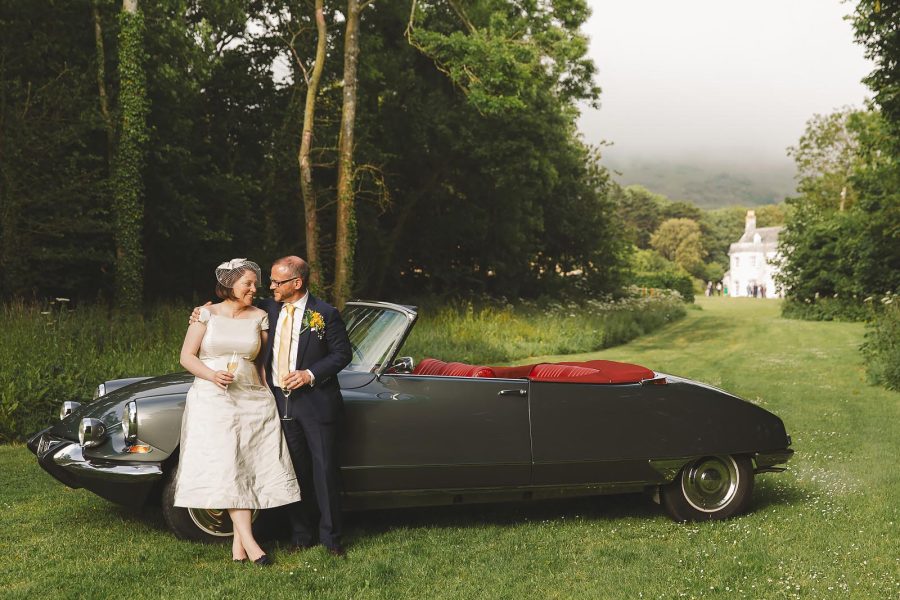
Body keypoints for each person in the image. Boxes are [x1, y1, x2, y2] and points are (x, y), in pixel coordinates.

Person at [191, 255, 352, 556]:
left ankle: (331, 539)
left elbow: (342, 354)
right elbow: (229, 306)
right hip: (277, 401)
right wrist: (202, 311)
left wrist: (309, 374)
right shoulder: (266, 308)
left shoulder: (325, 313)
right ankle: (301, 536)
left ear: (297, 283)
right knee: (293, 470)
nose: (271, 287)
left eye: (277, 282)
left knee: (324, 470)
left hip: (316, 404)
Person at [176, 258, 301, 566]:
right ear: (230, 285)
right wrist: (211, 375)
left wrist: (268, 395)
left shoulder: (261, 316)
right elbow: (186, 357)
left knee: (244, 466)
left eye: (255, 284)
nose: (253, 289)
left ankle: (237, 549)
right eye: (248, 283)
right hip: (212, 398)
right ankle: (251, 544)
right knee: (227, 465)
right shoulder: (205, 314)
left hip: (251, 398)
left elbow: (262, 363)